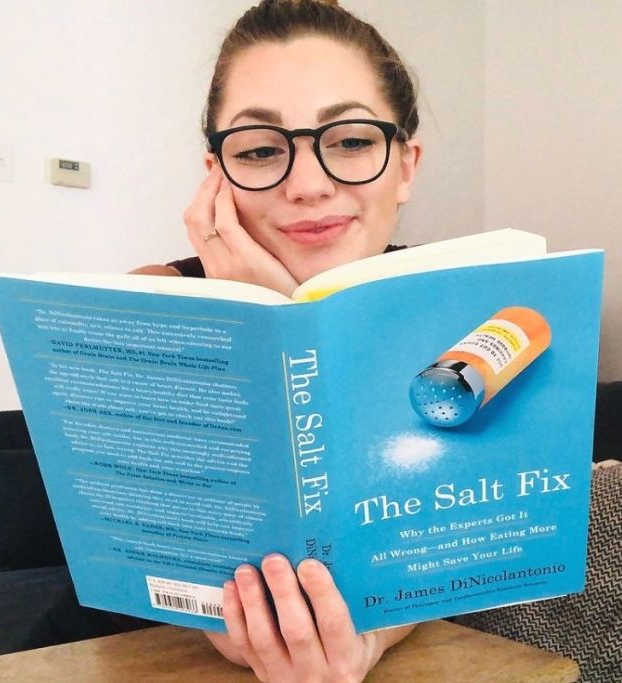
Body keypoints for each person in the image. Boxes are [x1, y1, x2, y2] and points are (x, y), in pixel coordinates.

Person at [134, 1, 424, 679]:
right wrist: (259, 311)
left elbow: (428, 554)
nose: (308, 184)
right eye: (261, 150)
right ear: (216, 171)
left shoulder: (452, 319)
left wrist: (371, 642)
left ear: (405, 165)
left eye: (351, 140)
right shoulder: (152, 300)